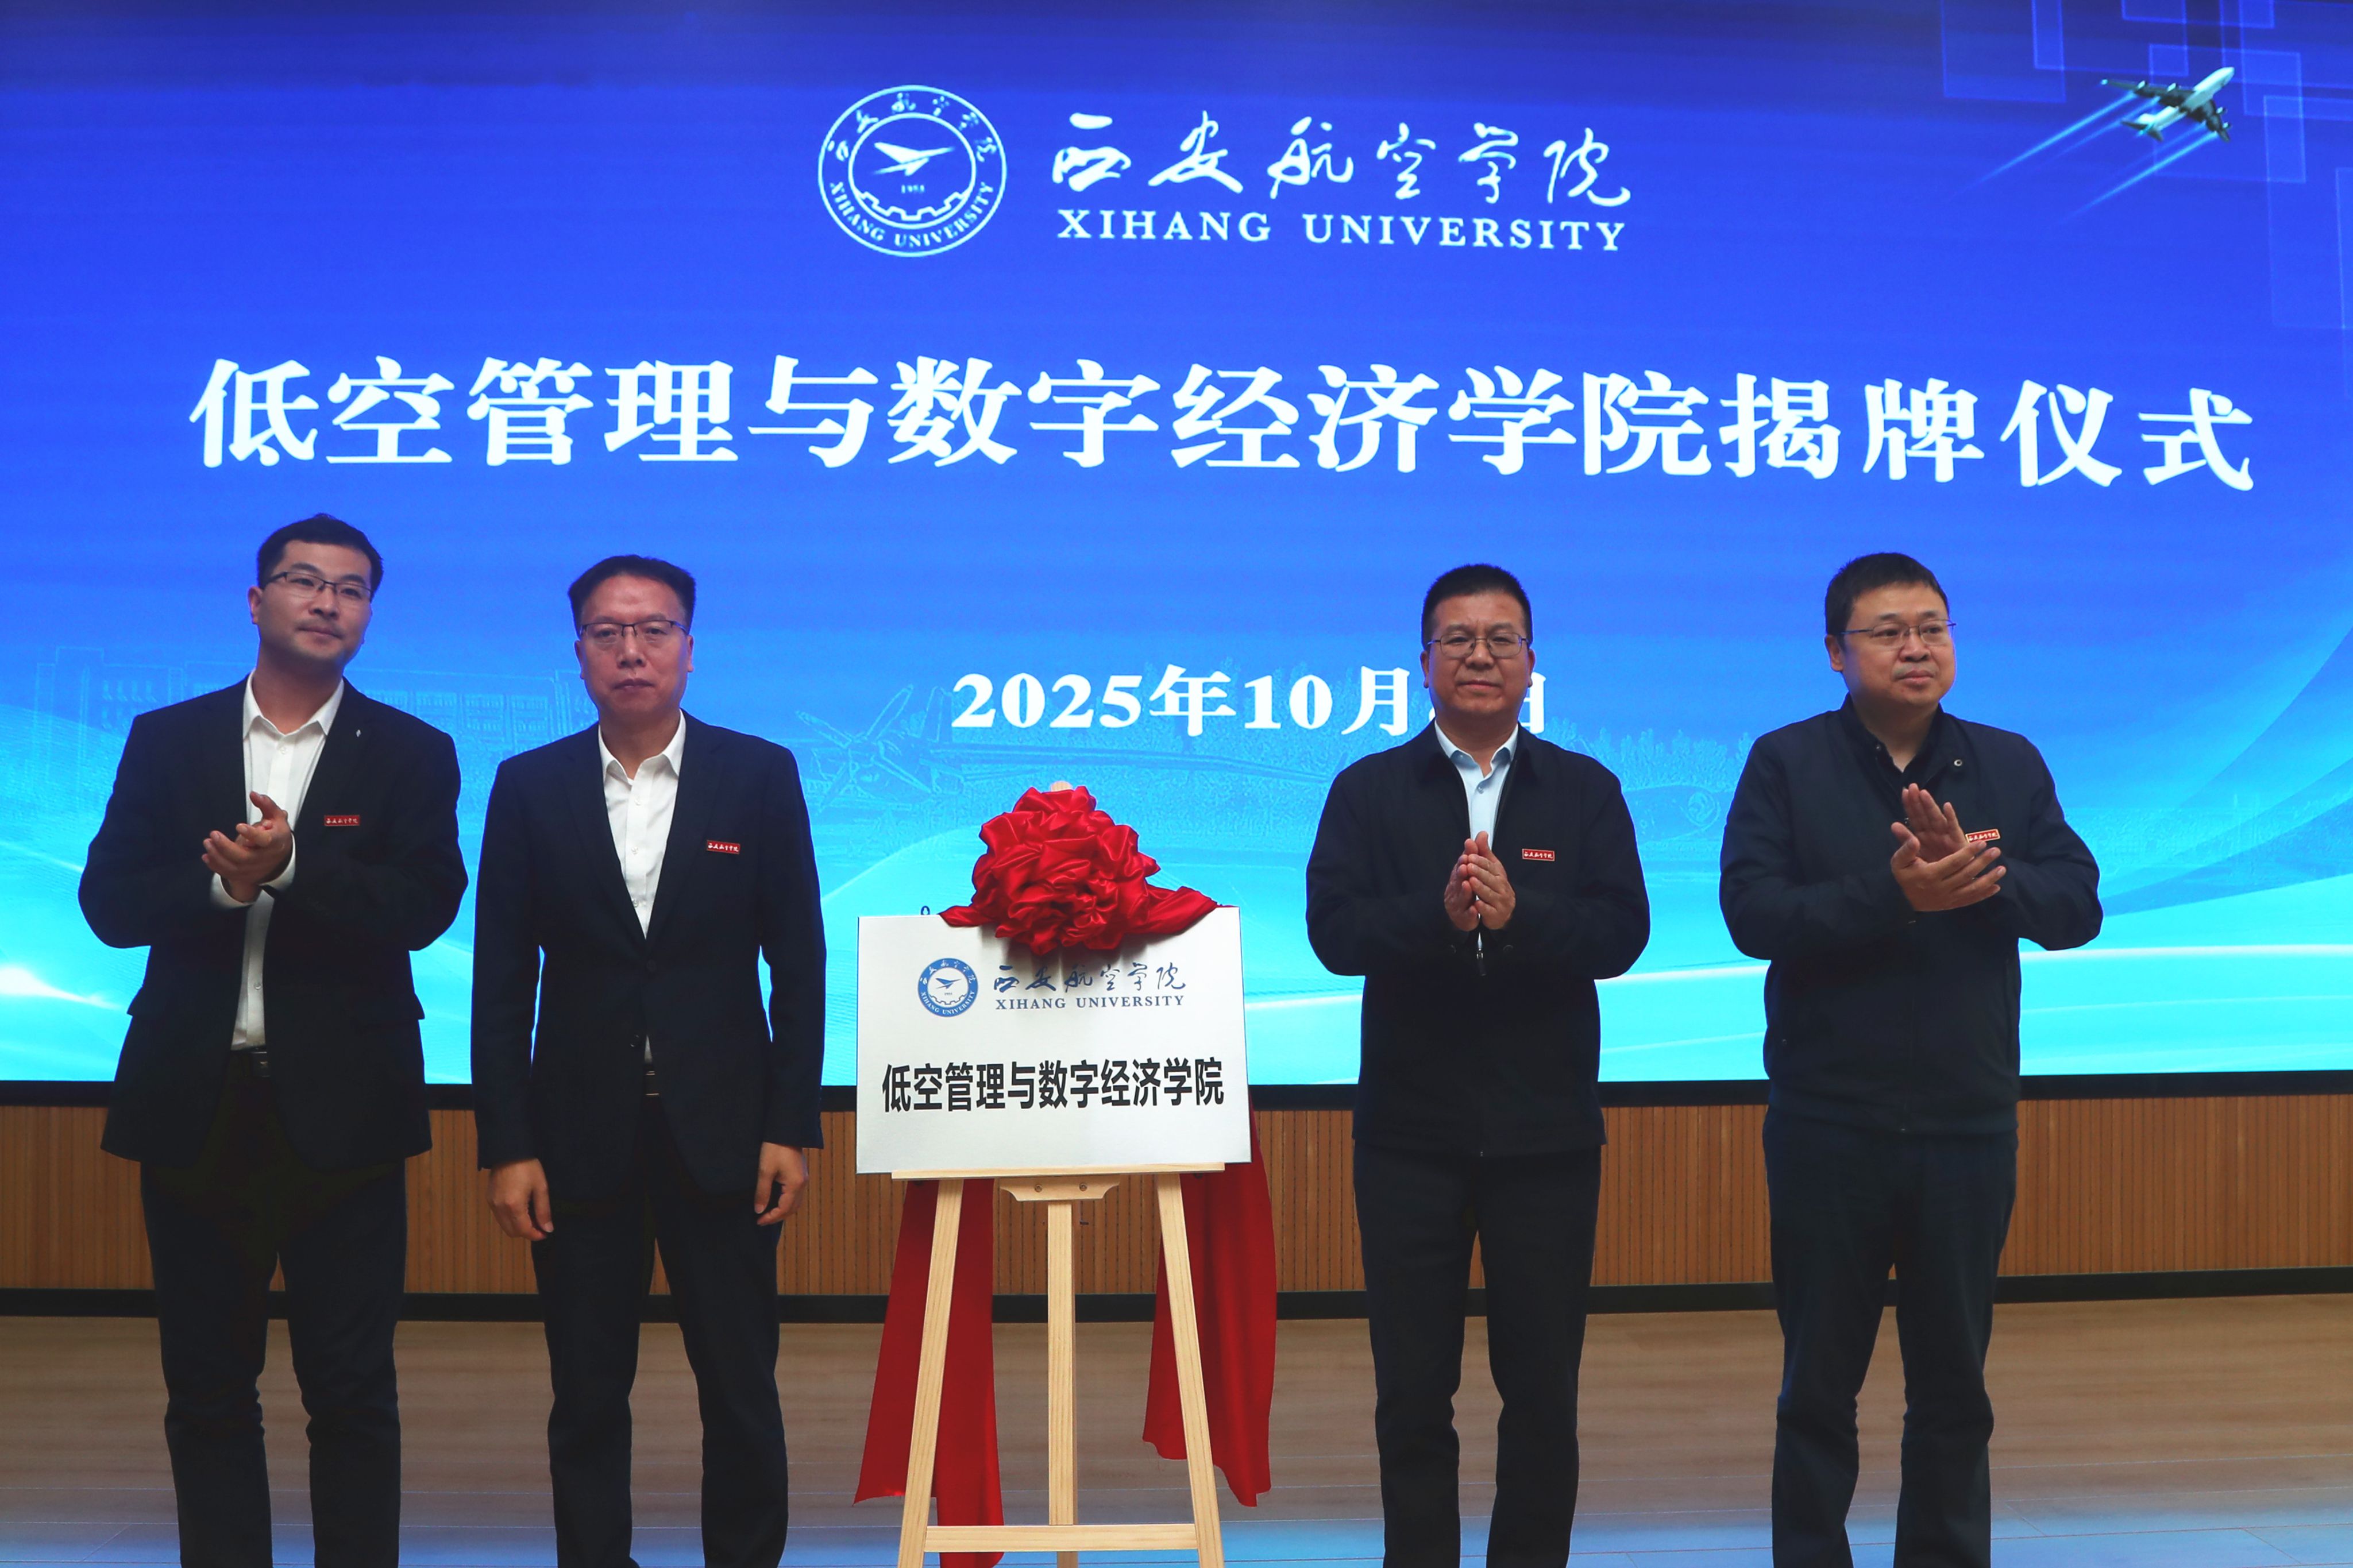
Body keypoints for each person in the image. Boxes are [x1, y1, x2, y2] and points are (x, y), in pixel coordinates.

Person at [79, 514, 466, 1568]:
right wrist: (224, 885)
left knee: (352, 1387)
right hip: (196, 1101)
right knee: (207, 1385)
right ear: (257, 601)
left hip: (348, 1109)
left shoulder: (412, 751)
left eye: (351, 588)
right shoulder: (169, 738)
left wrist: (292, 869)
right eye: (304, 581)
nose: (327, 602)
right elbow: (109, 903)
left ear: (369, 614)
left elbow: (424, 906)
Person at [1719, 552, 2102, 1568]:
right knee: (1817, 1384)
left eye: (1932, 627)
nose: (1916, 648)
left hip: (1966, 1122)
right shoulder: (1787, 762)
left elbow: (2078, 904)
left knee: (1954, 1387)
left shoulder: (2007, 762)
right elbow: (1753, 913)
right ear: (1836, 652)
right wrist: (1896, 895)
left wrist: (1982, 880)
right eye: (1888, 631)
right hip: (1828, 1121)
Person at [471, 554, 826, 1568]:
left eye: (654, 630)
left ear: (690, 649)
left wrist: (788, 1124)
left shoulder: (758, 774)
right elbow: (503, 978)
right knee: (586, 1390)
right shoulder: (529, 785)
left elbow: (799, 962)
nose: (632, 650)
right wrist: (508, 1142)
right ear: (579, 652)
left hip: (725, 1133)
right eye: (608, 632)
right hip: (577, 1137)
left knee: (741, 1385)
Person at [1306, 563, 1650, 1568]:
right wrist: (1442, 916)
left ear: (1533, 662)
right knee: (1414, 1391)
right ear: (1423, 663)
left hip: (1547, 1136)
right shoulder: (1369, 789)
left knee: (1542, 1390)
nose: (1481, 656)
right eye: (1458, 638)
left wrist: (1520, 913)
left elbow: (1622, 932)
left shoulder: (1584, 789)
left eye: (1502, 638)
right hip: (1409, 1135)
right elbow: (1334, 932)